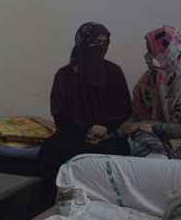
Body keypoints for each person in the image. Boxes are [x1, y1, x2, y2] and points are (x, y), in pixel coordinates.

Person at [34, 22, 132, 207]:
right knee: (51, 147)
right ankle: (44, 207)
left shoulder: (113, 72)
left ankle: (99, 208)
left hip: (106, 135)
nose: (101, 47)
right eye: (96, 42)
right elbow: (60, 117)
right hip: (74, 133)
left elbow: (122, 110)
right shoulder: (64, 76)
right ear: (82, 43)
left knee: (111, 152)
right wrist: (84, 135)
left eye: (105, 43)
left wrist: (104, 127)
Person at [118, 25, 181, 161]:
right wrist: (116, 132)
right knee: (144, 140)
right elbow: (136, 118)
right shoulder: (149, 79)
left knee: (157, 160)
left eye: (150, 50)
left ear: (166, 52)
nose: (147, 55)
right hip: (158, 134)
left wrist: (149, 125)